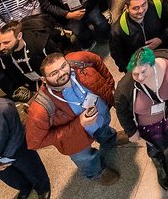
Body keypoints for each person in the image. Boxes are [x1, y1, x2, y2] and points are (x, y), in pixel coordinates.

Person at [26, 51, 122, 184]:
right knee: (85, 158)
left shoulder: (78, 60)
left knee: (105, 128)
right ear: (44, 79)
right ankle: (96, 173)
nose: (62, 73)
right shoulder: (39, 109)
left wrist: (110, 88)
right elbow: (35, 142)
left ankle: (110, 140)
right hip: (75, 139)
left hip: (99, 115)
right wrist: (78, 124)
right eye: (54, 73)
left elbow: (98, 62)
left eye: (63, 66)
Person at [113, 46, 168, 188]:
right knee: (154, 147)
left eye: (143, 72)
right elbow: (122, 111)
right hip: (147, 125)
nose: (139, 78)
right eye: (135, 74)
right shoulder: (125, 89)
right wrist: (131, 131)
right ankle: (160, 164)